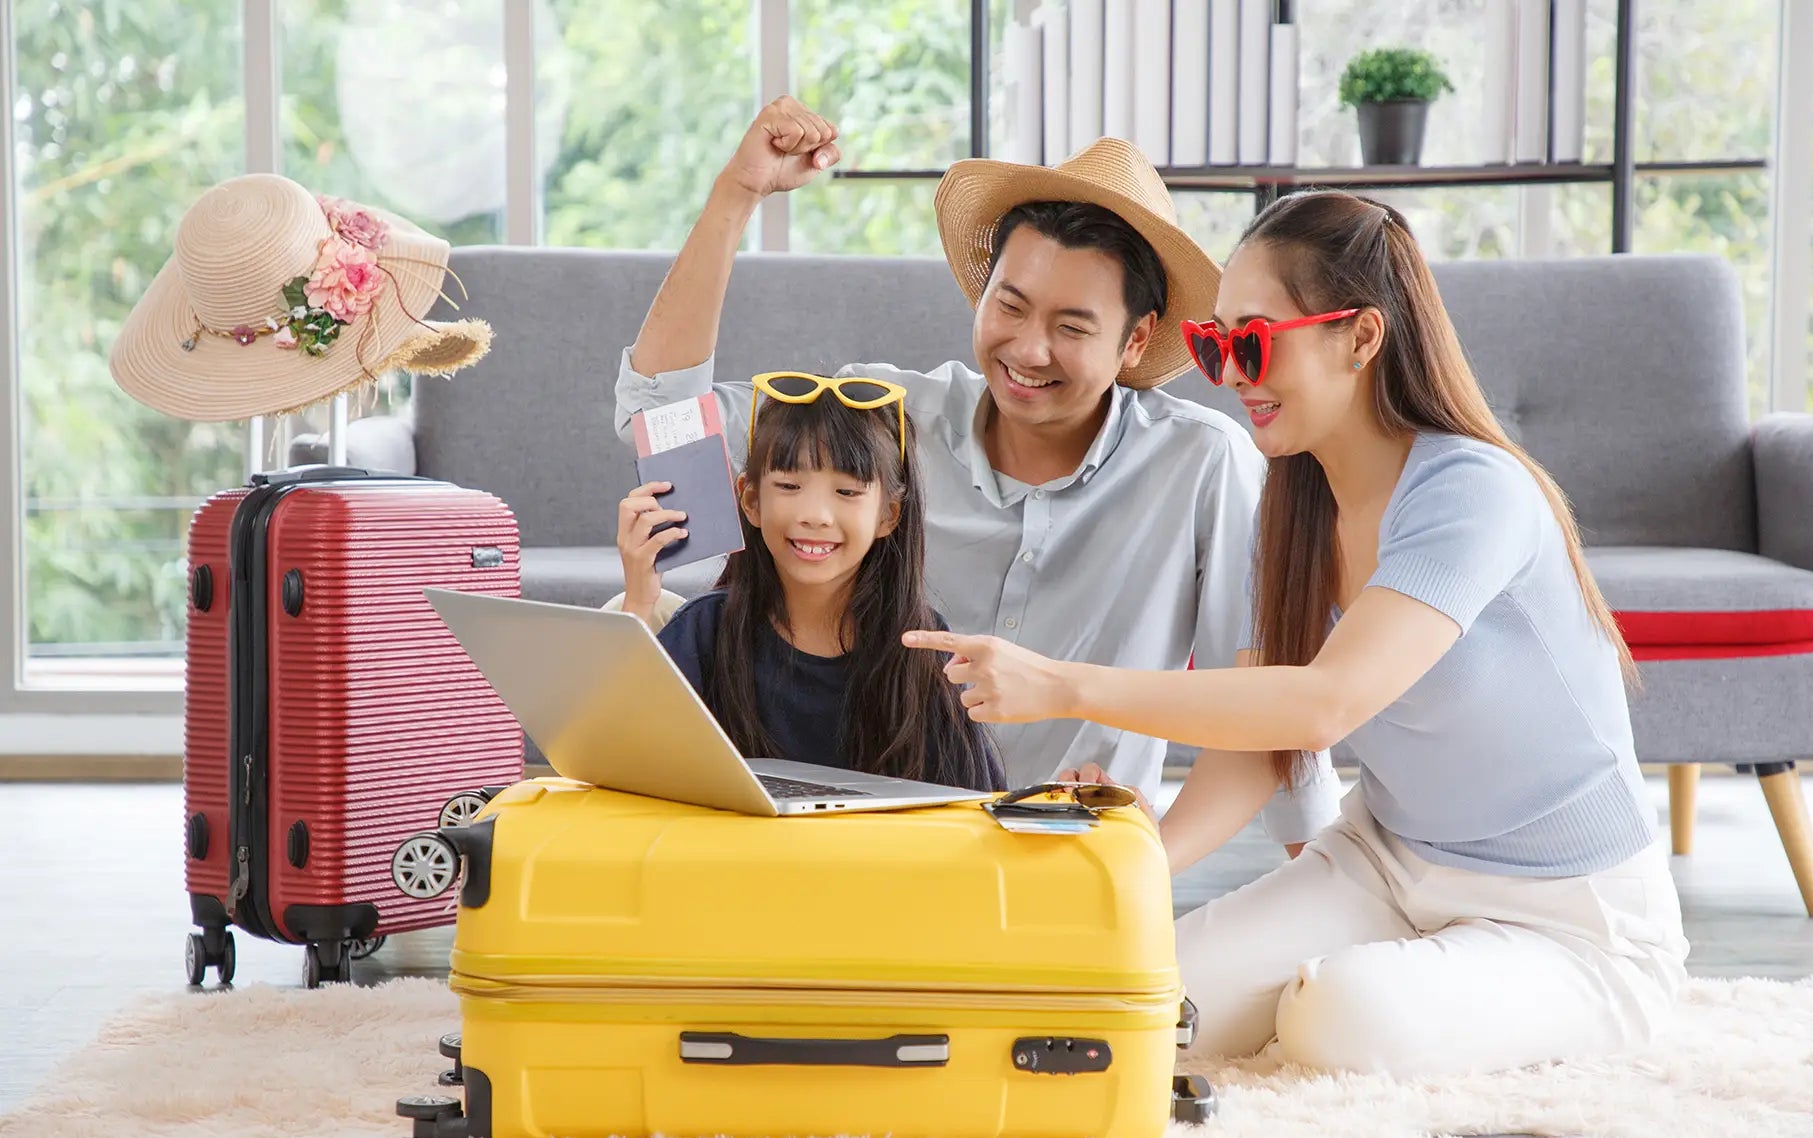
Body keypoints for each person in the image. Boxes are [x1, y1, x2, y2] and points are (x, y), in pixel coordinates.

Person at [902, 191, 1690, 1079]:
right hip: (1384, 864)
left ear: (1359, 337)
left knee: (1338, 1018)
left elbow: (1322, 705)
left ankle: (1403, 996)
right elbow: (1263, 744)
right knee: (1135, 1002)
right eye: (1215, 346)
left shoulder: (1474, 491)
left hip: (1571, 916)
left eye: (1254, 342)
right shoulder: (1295, 500)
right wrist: (1142, 855)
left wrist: (1067, 684)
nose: (1233, 375)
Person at [611, 95, 1340, 846]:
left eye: (1071, 326)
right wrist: (738, 194)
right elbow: (662, 420)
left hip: (1070, 854)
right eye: (1011, 306)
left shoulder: (1200, 463)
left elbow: (1261, 705)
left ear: (1136, 339)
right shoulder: (881, 417)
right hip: (876, 848)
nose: (1028, 350)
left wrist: (1208, 880)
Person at [619, 372, 1006, 791]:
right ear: (750, 501)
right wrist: (640, 600)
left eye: (847, 492)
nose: (815, 515)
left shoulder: (923, 649)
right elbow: (618, 762)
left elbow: (971, 809)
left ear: (888, 515)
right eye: (788, 485)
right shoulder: (705, 632)